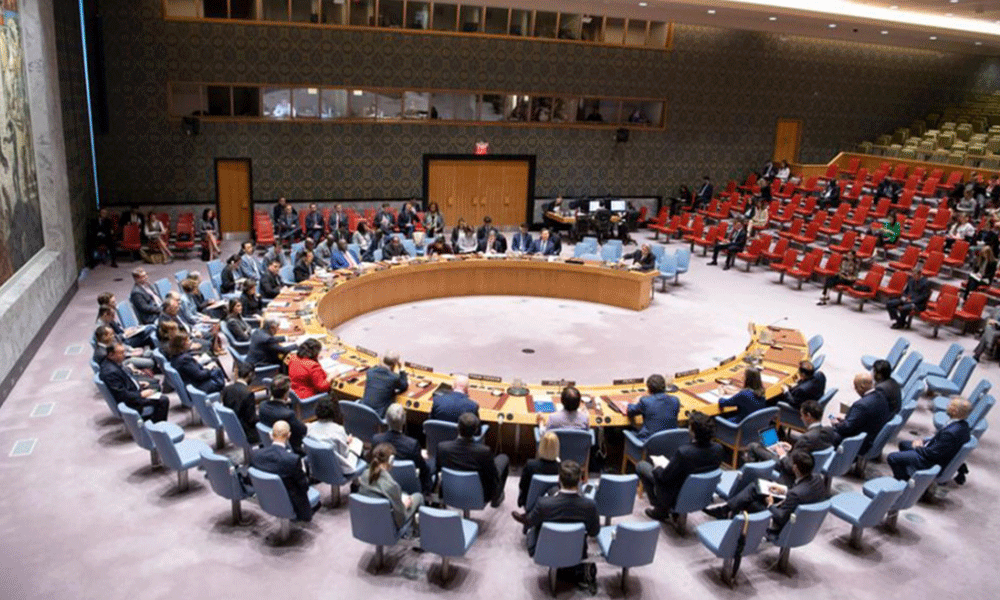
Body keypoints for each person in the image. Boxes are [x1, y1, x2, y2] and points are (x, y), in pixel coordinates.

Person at [704, 450, 827, 540]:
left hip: (784, 523)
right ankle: (727, 510)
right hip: (802, 519)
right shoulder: (817, 478)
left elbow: (780, 517)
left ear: (795, 467)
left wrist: (770, 504)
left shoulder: (795, 494)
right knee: (756, 487)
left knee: (751, 501)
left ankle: (727, 511)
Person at [523, 460, 600, 593]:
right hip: (577, 551)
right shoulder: (590, 505)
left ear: (559, 480)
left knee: (531, 529)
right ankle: (572, 570)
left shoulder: (543, 503)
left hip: (544, 551)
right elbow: (594, 532)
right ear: (580, 480)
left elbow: (529, 522)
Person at [636, 411, 725, 521]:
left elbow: (664, 477)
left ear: (693, 432)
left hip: (675, 494)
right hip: (700, 494)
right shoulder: (718, 449)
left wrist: (658, 467)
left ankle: (660, 509)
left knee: (641, 466)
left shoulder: (684, 452)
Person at [744, 400, 837, 484]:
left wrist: (782, 455)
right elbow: (809, 450)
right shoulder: (828, 431)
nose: (801, 418)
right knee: (773, 446)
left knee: (753, 446)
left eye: (802, 415)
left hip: (790, 473)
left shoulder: (806, 438)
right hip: (809, 470)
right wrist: (792, 449)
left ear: (808, 416)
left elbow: (790, 467)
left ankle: (749, 480)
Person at [887, 397, 972, 481]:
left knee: (892, 457)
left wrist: (918, 447)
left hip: (931, 461)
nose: (947, 405)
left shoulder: (950, 433)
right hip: (936, 452)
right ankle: (909, 472)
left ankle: (905, 480)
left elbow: (931, 454)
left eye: (950, 405)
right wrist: (924, 441)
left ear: (955, 411)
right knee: (903, 444)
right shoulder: (963, 425)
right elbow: (939, 441)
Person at [436, 412, 510, 508]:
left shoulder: (442, 447)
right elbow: (492, 476)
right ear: (476, 430)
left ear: (457, 427)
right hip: (480, 495)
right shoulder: (484, 452)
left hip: (450, 491)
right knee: (503, 458)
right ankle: (496, 499)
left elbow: (438, 469)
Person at [251, 420, 314, 521]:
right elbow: (304, 486)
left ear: (271, 435)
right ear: (289, 435)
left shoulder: (256, 455)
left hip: (266, 499)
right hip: (290, 503)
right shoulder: (292, 460)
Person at [359, 443, 423, 531]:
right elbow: (401, 519)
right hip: (388, 527)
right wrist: (405, 505)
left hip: (368, 522)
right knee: (418, 497)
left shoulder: (364, 475)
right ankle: (417, 533)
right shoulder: (392, 486)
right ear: (391, 460)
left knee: (403, 493)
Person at [372, 404, 433, 495]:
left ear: (386, 419)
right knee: (430, 464)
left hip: (383, 482)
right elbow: (422, 468)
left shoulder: (376, 440)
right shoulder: (412, 445)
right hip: (408, 486)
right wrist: (421, 456)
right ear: (404, 420)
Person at [99, 342, 169, 422]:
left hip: (132, 391)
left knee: (155, 385)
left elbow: (124, 381)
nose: (124, 355)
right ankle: (155, 425)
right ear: (111, 354)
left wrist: (138, 384)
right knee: (163, 400)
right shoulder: (110, 372)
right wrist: (141, 394)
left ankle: (151, 418)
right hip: (131, 402)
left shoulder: (110, 363)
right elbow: (122, 395)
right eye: (121, 353)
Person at [832, 373, 892, 455]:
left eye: (856, 387)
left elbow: (847, 428)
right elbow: (862, 419)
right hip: (870, 437)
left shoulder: (861, 405)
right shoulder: (882, 396)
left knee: (827, 434)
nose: (855, 390)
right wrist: (847, 419)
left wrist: (836, 424)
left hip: (859, 443)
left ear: (861, 387)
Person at [307, 399, 361, 475]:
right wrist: (348, 443)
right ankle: (356, 480)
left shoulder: (309, 427)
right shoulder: (338, 430)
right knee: (357, 442)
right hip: (338, 469)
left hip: (317, 466)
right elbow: (344, 453)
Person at [258, 375, 308, 454]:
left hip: (270, 445)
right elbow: (303, 430)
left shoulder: (262, 405)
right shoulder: (288, 414)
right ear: (286, 394)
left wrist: (285, 403)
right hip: (292, 449)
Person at [513, 431, 560, 513]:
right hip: (554, 507)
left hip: (531, 505)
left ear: (540, 446)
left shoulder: (530, 465)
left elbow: (522, 486)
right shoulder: (562, 468)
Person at [627, 374, 680, 440]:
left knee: (629, 431)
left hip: (649, 441)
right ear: (664, 386)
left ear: (649, 389)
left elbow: (630, 411)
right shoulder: (675, 400)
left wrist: (634, 402)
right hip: (671, 441)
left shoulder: (645, 401)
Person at [220, 362, 261, 444]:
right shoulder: (248, 394)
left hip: (232, 430)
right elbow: (251, 419)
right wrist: (263, 417)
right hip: (247, 433)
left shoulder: (226, 389)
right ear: (250, 374)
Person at [360, 351, 408, 418]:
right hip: (379, 416)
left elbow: (376, 369)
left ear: (382, 360)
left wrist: (381, 362)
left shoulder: (370, 372)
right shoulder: (394, 377)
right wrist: (401, 369)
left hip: (362, 412)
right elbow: (404, 385)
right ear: (394, 364)